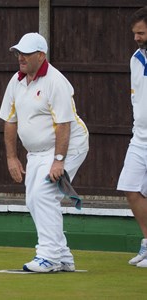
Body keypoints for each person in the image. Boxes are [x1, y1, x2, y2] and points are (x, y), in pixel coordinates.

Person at [0, 32, 89, 272]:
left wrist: (59, 161)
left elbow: (64, 124)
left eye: (27, 53)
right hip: (36, 152)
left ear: (41, 55)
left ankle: (48, 256)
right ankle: (63, 255)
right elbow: (10, 120)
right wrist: (11, 157)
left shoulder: (56, 81)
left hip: (69, 144)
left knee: (44, 195)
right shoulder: (15, 81)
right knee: (33, 199)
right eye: (19, 53)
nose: (21, 58)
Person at [117, 6, 147, 268]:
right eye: (135, 33)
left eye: (142, 33)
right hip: (139, 137)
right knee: (130, 187)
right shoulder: (135, 58)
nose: (137, 37)